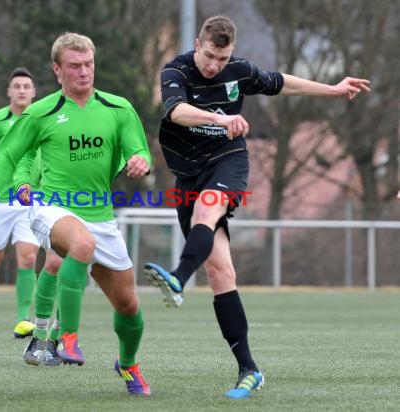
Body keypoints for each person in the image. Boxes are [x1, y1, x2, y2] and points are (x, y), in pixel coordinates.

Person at [144, 15, 371, 399]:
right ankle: (250, 370)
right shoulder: (176, 71)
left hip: (227, 162)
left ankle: (179, 278)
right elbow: (176, 111)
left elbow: (280, 82)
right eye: (211, 56)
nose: (215, 65)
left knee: (206, 211)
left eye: (223, 57)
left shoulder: (239, 70)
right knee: (220, 273)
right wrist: (223, 118)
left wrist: (332, 90)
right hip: (187, 174)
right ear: (198, 45)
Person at [0, 32, 152, 396]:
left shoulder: (119, 108)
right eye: (74, 66)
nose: (83, 72)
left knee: (129, 306)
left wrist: (139, 160)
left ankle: (128, 365)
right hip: (51, 208)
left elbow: (139, 149)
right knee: (80, 244)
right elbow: (5, 156)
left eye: (88, 65)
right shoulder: (40, 112)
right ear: (57, 70)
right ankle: (64, 337)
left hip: (101, 215)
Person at [0, 67, 62, 343]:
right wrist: (3, 157)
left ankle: (23, 319)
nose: (21, 90)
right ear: (9, 91)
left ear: (34, 92)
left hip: (30, 200)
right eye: (16, 86)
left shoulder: (41, 120)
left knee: (30, 258)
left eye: (26, 86)